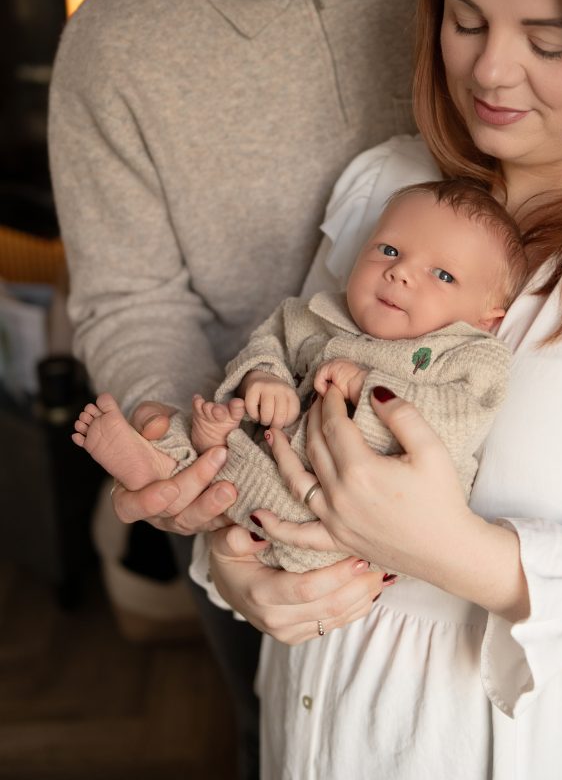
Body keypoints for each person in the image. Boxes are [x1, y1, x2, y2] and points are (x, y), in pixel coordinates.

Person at [176, 0, 562, 777]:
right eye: (464, 18)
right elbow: (276, 401)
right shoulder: (383, 185)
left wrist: (470, 554)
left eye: (552, 39)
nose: (489, 72)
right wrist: (239, 570)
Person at [49, 0, 449, 774]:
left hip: (478, 468)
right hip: (255, 504)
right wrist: (164, 429)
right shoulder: (108, 53)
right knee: (266, 739)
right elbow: (131, 298)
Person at [71, 179, 527, 572]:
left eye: (443, 275)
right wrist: (262, 380)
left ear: (488, 318)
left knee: (296, 528)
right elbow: (266, 344)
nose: (400, 272)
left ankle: (190, 461)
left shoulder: (470, 357)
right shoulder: (315, 314)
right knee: (200, 427)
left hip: (364, 518)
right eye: (388, 249)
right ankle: (164, 459)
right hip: (264, 455)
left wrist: (364, 387)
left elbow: (458, 421)